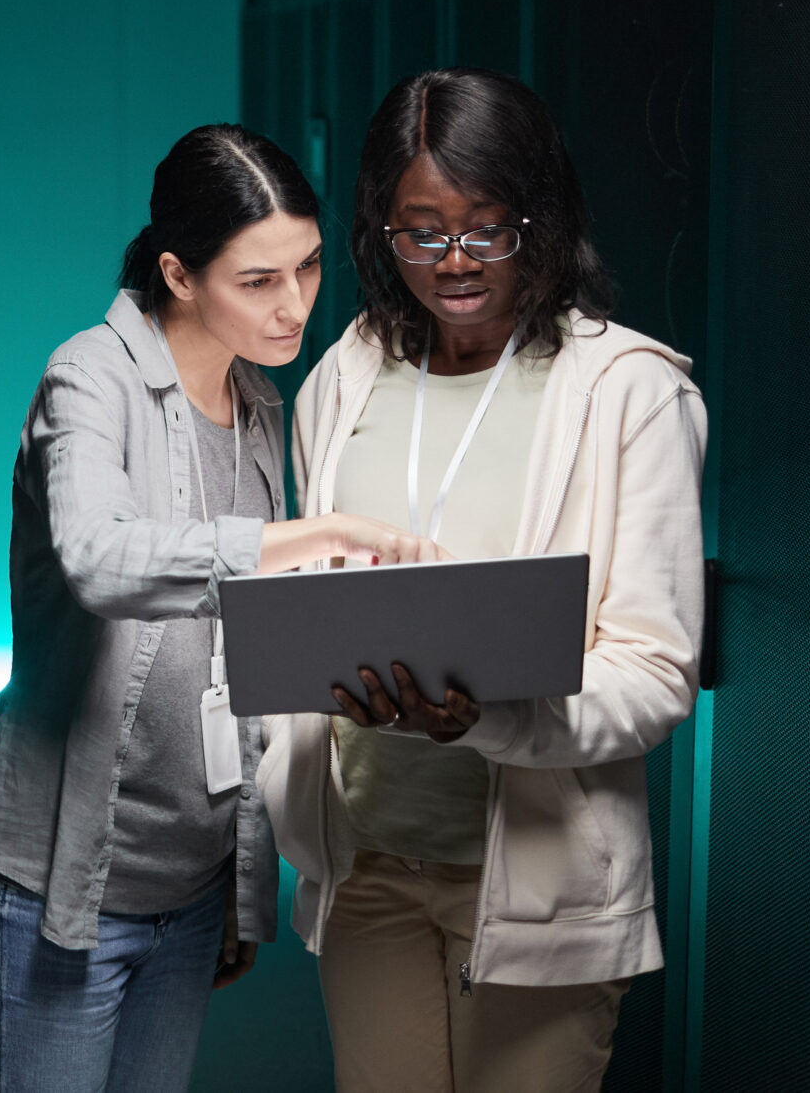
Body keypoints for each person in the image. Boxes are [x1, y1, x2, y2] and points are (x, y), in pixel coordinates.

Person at [0, 123, 440, 1093]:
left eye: (305, 268)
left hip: (186, 902)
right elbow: (99, 558)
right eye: (258, 281)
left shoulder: (258, 409)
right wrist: (301, 535)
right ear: (177, 273)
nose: (293, 305)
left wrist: (239, 892)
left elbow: (235, 669)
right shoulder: (89, 377)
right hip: (46, 892)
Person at [259, 68, 706, 1093]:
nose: (453, 263)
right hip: (367, 869)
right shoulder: (347, 374)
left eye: (485, 229)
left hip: (539, 883)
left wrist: (483, 719)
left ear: (538, 219)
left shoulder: (628, 393)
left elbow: (652, 672)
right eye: (420, 233)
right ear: (380, 230)